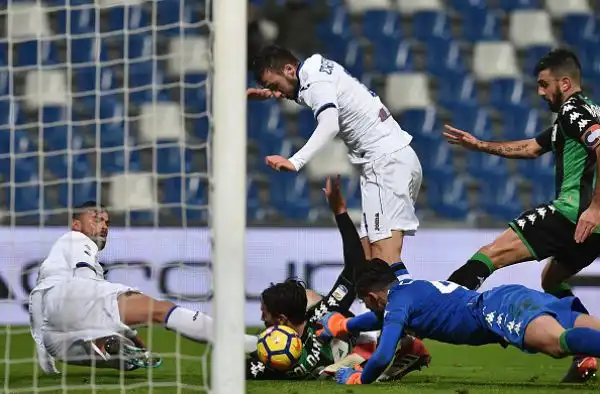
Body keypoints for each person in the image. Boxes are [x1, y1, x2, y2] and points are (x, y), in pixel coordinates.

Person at [442, 48, 600, 381]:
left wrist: (595, 208)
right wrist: (481, 145)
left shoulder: (574, 110)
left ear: (566, 82)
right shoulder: (579, 115)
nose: (541, 93)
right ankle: (588, 350)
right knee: (551, 280)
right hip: (590, 230)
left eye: (545, 85)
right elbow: (531, 147)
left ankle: (432, 313)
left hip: (573, 215)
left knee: (490, 254)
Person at [248, 45, 422, 274]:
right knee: (368, 262)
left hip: (385, 162)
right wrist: (273, 92)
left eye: (275, 86)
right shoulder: (315, 68)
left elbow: (329, 123)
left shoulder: (315, 82)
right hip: (387, 161)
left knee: (383, 260)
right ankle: (387, 308)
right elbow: (309, 92)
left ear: (289, 69)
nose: (279, 94)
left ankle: (411, 307)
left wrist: (296, 161)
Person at [29, 201, 258, 374]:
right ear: (76, 224)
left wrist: (44, 349)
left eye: (107, 222)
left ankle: (110, 346)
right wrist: (108, 312)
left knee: (126, 362)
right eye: (97, 219)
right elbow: (83, 278)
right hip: (72, 297)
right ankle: (250, 344)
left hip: (53, 332)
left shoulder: (54, 261)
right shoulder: (76, 239)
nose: (105, 226)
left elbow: (38, 299)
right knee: (161, 310)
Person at [246, 176, 430, 381]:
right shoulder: (272, 347)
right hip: (354, 353)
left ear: (281, 319)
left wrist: (340, 212)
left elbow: (353, 265)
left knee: (374, 323)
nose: (262, 319)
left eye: (265, 314)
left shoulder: (323, 314)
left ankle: (407, 347)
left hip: (365, 346)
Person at [318, 260, 599, 385]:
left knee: (557, 344)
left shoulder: (397, 303)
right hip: (507, 298)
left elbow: (382, 356)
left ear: (370, 295)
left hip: (495, 308)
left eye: (365, 302)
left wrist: (358, 378)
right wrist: (344, 326)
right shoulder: (406, 288)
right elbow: (378, 317)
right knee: (585, 326)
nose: (368, 308)